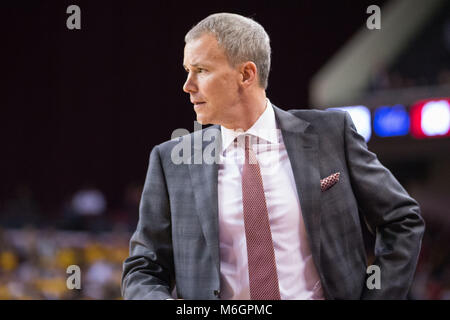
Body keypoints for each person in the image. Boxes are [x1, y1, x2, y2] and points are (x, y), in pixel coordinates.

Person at [121, 13, 425, 300]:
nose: (187, 86)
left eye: (201, 70)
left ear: (246, 74)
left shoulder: (332, 133)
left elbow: (402, 220)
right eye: (187, 71)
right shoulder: (172, 160)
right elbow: (143, 269)